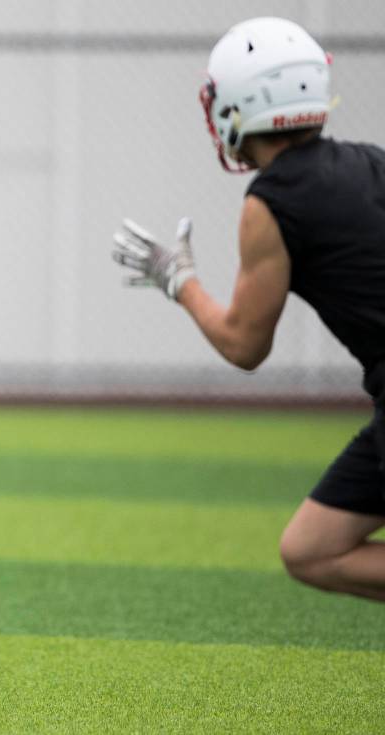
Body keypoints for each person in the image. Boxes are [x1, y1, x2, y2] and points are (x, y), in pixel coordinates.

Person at [112, 16, 385, 602]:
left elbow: (243, 345)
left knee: (316, 552)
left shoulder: (271, 200)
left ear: (241, 104)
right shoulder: (372, 161)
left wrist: (177, 279)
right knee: (312, 549)